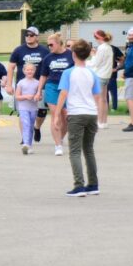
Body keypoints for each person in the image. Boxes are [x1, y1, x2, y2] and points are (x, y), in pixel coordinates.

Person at [55, 40, 101, 196]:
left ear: (73, 54)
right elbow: (97, 96)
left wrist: (56, 114)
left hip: (76, 113)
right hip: (91, 113)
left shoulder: (69, 73)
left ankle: (79, 185)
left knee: (74, 151)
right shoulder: (92, 73)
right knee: (88, 149)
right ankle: (93, 184)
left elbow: (63, 93)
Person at [6, 26, 50, 143]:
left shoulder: (44, 51)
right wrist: (9, 84)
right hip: (23, 86)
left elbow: (48, 68)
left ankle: (37, 127)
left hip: (40, 85)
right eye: (27, 35)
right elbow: (11, 67)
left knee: (41, 112)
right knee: (23, 112)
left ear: (37, 37)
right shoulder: (19, 50)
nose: (28, 37)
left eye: (31, 35)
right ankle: (25, 137)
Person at [36, 32, 73, 155]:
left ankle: (61, 137)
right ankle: (57, 145)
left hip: (67, 87)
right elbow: (43, 75)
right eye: (48, 45)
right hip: (52, 86)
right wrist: (39, 91)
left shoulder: (70, 55)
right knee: (55, 113)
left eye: (51, 44)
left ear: (59, 43)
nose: (49, 47)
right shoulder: (48, 58)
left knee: (65, 114)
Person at [86, 30, 114, 129]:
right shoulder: (108, 47)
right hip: (106, 75)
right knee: (104, 99)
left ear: (99, 38)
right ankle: (104, 121)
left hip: (100, 75)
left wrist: (89, 59)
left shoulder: (102, 48)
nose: (96, 40)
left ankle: (100, 121)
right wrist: (94, 55)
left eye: (96, 38)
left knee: (99, 100)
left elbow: (95, 63)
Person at [15, 63, 40, 154]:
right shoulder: (21, 82)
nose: (29, 71)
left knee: (30, 126)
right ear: (24, 71)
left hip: (33, 108)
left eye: (31, 70)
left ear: (34, 71)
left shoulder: (37, 83)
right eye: (28, 70)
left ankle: (29, 145)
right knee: (26, 124)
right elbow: (17, 96)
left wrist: (36, 97)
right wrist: (25, 97)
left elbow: (39, 96)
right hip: (23, 107)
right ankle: (25, 144)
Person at [108, 44, 124, 111]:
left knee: (113, 91)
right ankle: (106, 107)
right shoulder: (100, 48)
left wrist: (116, 68)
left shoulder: (114, 48)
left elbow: (123, 59)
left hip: (112, 74)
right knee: (104, 92)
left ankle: (114, 107)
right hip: (102, 74)